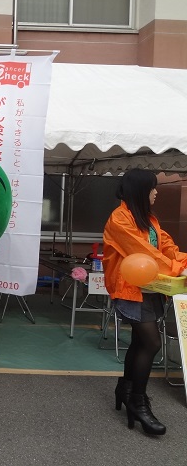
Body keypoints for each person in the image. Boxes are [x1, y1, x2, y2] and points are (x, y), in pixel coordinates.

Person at [103, 168, 187, 436]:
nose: (156, 192)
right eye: (152, 187)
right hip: (130, 289)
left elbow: (167, 247)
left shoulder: (149, 219)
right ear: (140, 190)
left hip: (151, 288)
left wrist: (182, 262)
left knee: (140, 342)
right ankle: (138, 403)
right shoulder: (119, 219)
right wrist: (176, 268)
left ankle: (125, 389)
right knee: (151, 343)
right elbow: (144, 252)